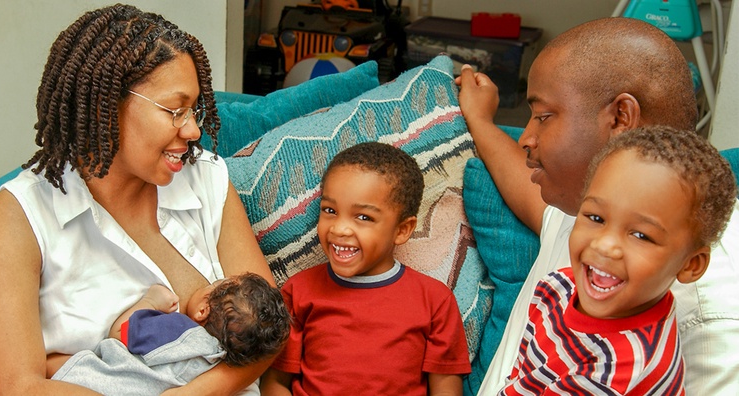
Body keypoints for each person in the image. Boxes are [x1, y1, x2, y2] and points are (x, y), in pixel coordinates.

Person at [0, 4, 275, 395]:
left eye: (194, 110)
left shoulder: (205, 178)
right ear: (105, 104)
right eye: (175, 110)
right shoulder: (20, 217)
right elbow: (17, 386)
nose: (193, 130)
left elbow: (270, 330)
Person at [456, 17, 739, 395]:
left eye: (543, 117)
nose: (526, 138)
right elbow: (530, 191)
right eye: (595, 218)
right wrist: (481, 120)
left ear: (620, 118)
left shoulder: (711, 314)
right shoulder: (589, 207)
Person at [499, 126, 736, 395]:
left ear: (691, 265)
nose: (605, 245)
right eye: (596, 218)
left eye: (641, 235)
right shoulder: (556, 287)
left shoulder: (618, 372)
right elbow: (520, 378)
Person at [259, 142, 471, 396]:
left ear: (402, 230)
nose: (339, 229)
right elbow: (274, 382)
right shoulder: (298, 291)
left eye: (363, 217)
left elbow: (446, 390)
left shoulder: (435, 301)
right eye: (330, 210)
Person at [52, 273, 291, 395]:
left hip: (105, 385)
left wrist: (150, 301)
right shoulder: (240, 380)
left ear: (203, 310)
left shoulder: (179, 331)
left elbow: (120, 333)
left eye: (212, 284)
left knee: (54, 363)